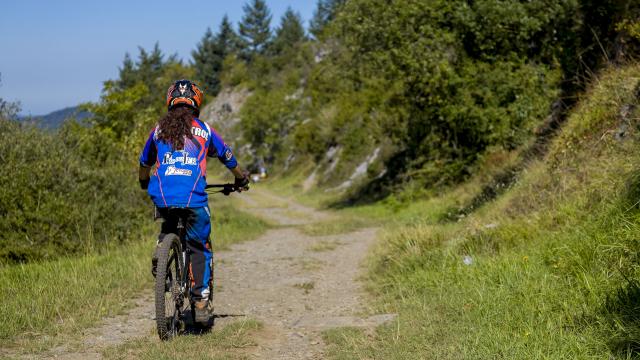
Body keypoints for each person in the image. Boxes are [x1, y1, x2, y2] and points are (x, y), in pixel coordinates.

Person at [138, 79, 249, 322]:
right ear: (196, 103)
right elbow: (227, 156)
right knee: (199, 245)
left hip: (163, 196)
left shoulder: (158, 130)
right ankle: (200, 304)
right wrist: (241, 179)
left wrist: (144, 182)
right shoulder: (205, 130)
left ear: (170, 102)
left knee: (169, 216)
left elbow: (144, 162)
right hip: (194, 198)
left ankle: (162, 246)